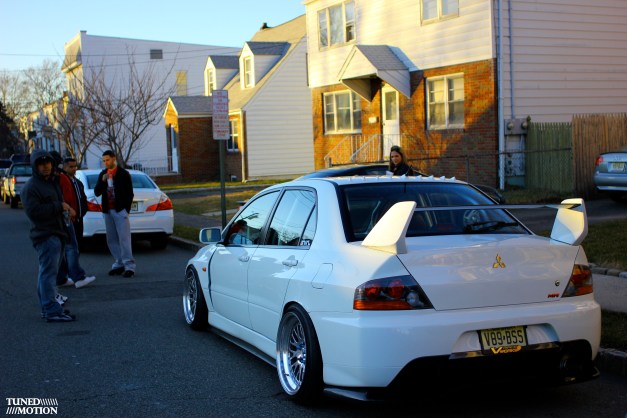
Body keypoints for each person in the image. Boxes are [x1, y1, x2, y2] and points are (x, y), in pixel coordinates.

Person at [21, 149, 76, 322]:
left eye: (48, 162)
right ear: (35, 166)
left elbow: (58, 203)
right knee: (48, 274)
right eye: (41, 163)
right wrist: (58, 206)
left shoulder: (51, 182)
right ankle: (51, 309)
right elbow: (34, 212)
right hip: (45, 235)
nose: (45, 166)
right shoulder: (31, 187)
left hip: (58, 232)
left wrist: (65, 208)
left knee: (48, 273)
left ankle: (49, 307)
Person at [48, 152, 96, 289]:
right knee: (71, 248)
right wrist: (70, 212)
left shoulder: (52, 179)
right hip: (65, 217)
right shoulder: (61, 178)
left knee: (62, 249)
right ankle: (78, 277)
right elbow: (67, 198)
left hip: (60, 217)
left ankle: (61, 277)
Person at [94, 150, 135, 277]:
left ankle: (129, 266)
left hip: (120, 210)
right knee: (111, 239)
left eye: (107, 160)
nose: (106, 162)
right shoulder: (103, 174)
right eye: (104, 161)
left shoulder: (123, 174)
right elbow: (97, 192)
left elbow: (129, 193)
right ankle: (119, 263)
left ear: (113, 159)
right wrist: (103, 181)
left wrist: (125, 209)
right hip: (107, 211)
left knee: (124, 238)